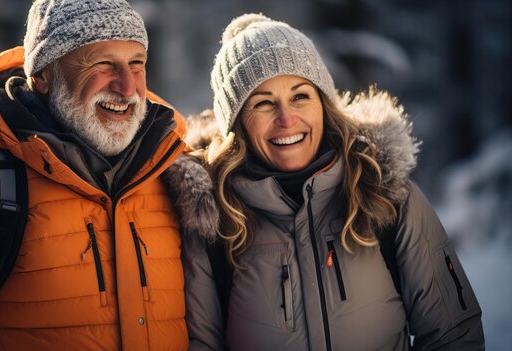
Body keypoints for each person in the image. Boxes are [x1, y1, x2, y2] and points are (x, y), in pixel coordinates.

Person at [0, 0, 190, 349]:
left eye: (136, 64)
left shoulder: (171, 179)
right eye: (103, 64)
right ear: (42, 77)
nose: (126, 86)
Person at [182, 14, 485, 350]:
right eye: (263, 103)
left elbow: (453, 334)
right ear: (237, 125)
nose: (286, 119)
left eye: (300, 96)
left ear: (324, 105)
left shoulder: (386, 196)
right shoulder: (214, 225)